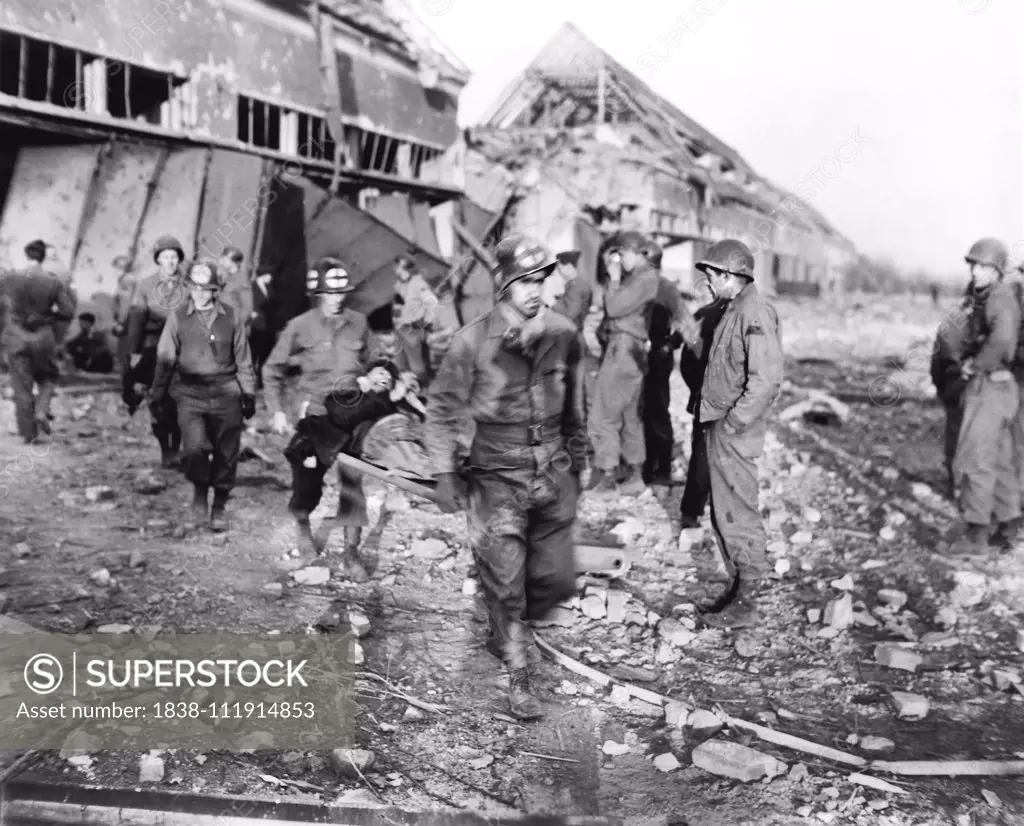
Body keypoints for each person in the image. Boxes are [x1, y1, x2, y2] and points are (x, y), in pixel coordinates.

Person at [425, 233, 585, 721]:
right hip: (496, 473)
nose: (535, 290)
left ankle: (505, 632)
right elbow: (440, 412)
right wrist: (444, 473)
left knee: (552, 577)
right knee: (506, 580)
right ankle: (518, 678)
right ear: (503, 285)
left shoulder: (562, 334)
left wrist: (580, 456)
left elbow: (576, 401)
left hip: (553, 469)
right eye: (524, 282)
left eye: (541, 280)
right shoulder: (470, 342)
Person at [686, 239, 784, 630]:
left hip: (734, 430)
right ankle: (738, 588)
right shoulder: (732, 309)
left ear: (729, 276)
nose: (707, 283)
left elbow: (766, 381)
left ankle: (749, 601)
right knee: (724, 512)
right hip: (722, 424)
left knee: (739, 513)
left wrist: (734, 423)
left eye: (712, 276)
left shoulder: (754, 311)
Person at [263, 257, 372, 580]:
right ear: (319, 294)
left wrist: (378, 375)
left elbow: (378, 359)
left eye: (341, 293)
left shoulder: (359, 323)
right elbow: (272, 369)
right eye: (330, 293)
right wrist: (277, 410)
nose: (337, 298)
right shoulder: (300, 325)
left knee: (353, 483)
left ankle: (351, 553)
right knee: (306, 484)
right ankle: (302, 526)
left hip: (354, 415)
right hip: (314, 417)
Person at [148, 259, 257, 532]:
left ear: (215, 290)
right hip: (190, 392)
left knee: (226, 451)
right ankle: (199, 492)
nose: (198, 293)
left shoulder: (231, 317)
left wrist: (249, 394)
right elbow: (165, 356)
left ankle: (219, 504)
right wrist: (157, 394)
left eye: (205, 288)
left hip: (226, 391)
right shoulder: (178, 316)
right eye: (194, 287)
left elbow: (243, 359)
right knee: (194, 447)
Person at [284, 362, 425, 554]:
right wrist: (390, 395)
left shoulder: (389, 404)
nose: (386, 377)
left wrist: (415, 400)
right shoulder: (343, 397)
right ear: (362, 380)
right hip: (316, 444)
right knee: (307, 491)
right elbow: (345, 415)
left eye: (390, 378)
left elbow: (422, 426)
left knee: (353, 493)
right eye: (380, 373)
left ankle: (351, 550)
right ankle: (302, 522)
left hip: (353, 453)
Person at [951, 238, 1020, 554]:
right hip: (1001, 386)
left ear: (997, 271)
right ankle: (1008, 527)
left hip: (989, 385)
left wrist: (974, 365)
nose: (976, 271)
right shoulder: (987, 296)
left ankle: (976, 535)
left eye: (983, 266)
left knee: (974, 458)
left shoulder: (999, 298)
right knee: (1000, 460)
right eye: (974, 265)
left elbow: (1003, 339)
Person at [587, 231, 660, 495]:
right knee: (630, 414)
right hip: (631, 350)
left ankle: (607, 476)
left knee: (603, 413)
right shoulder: (643, 278)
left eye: (623, 255)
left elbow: (615, 308)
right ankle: (634, 474)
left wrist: (614, 280)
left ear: (636, 253)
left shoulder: (644, 279)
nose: (621, 260)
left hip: (623, 348)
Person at [123, 235, 189, 467]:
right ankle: (166, 451)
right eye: (165, 257)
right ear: (158, 260)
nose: (170, 262)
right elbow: (136, 321)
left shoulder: (190, 284)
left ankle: (176, 448)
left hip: (184, 349)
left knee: (181, 401)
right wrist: (134, 352)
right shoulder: (145, 285)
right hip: (154, 350)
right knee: (157, 401)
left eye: (174, 257)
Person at [0, 240, 76, 443]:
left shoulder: (9, 278)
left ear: (26, 255)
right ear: (43, 257)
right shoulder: (52, 281)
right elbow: (67, 311)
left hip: (15, 336)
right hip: (42, 337)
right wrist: (48, 319)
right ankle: (42, 410)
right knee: (48, 377)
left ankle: (29, 434)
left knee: (21, 385)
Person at [640, 240, 689, 485]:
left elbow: (685, 322)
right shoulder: (638, 286)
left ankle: (662, 470)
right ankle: (647, 468)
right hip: (639, 356)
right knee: (643, 411)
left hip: (659, 355)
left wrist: (670, 345)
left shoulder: (666, 288)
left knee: (658, 411)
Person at [677, 295, 729, 527]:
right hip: (729, 400)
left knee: (701, 452)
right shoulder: (747, 317)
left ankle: (691, 513)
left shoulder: (703, 314)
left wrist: (697, 389)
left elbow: (686, 360)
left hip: (705, 398)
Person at [930, 289, 972, 498]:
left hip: (952, 384)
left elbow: (936, 363)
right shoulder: (994, 322)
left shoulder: (950, 322)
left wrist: (941, 389)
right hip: (972, 386)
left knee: (955, 432)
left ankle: (955, 483)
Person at [392, 255, 439, 386]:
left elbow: (433, 303)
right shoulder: (399, 284)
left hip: (413, 329)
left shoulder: (418, 284)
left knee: (417, 366)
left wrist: (423, 324)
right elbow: (398, 305)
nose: (398, 269)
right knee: (401, 364)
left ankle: (426, 391)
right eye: (399, 266)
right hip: (399, 328)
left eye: (403, 267)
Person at [249, 271, 275, 390]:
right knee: (253, 356)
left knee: (265, 356)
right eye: (269, 275)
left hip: (268, 327)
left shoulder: (270, 287)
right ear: (263, 275)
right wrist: (252, 314)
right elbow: (250, 304)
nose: (271, 277)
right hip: (256, 327)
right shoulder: (252, 286)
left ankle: (261, 382)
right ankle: (248, 382)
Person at [218, 247, 253, 329]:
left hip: (231, 326)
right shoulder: (226, 277)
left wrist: (237, 326)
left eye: (224, 259)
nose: (222, 261)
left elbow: (247, 309)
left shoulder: (241, 281)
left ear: (233, 262)